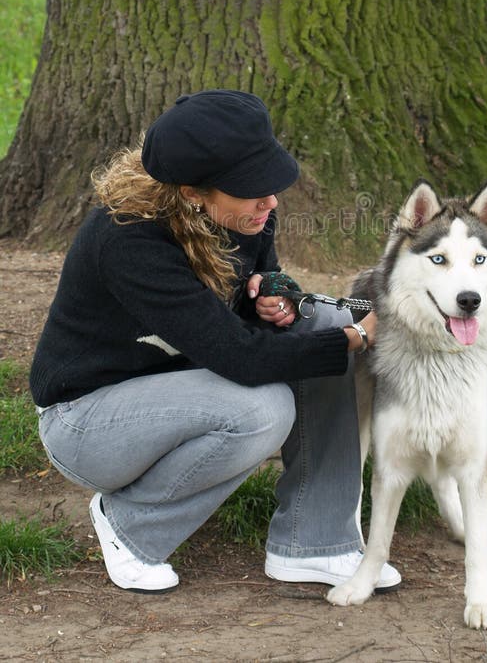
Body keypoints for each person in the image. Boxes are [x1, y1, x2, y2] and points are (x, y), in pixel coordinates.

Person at [30, 89, 400, 594]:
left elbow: (258, 285)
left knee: (317, 324)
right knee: (263, 408)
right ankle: (130, 525)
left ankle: (315, 542)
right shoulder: (129, 241)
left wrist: (274, 296)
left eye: (269, 184)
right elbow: (240, 357)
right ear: (192, 193)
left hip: (186, 384)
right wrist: (357, 336)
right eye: (253, 190)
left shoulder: (242, 212)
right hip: (89, 423)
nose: (270, 202)